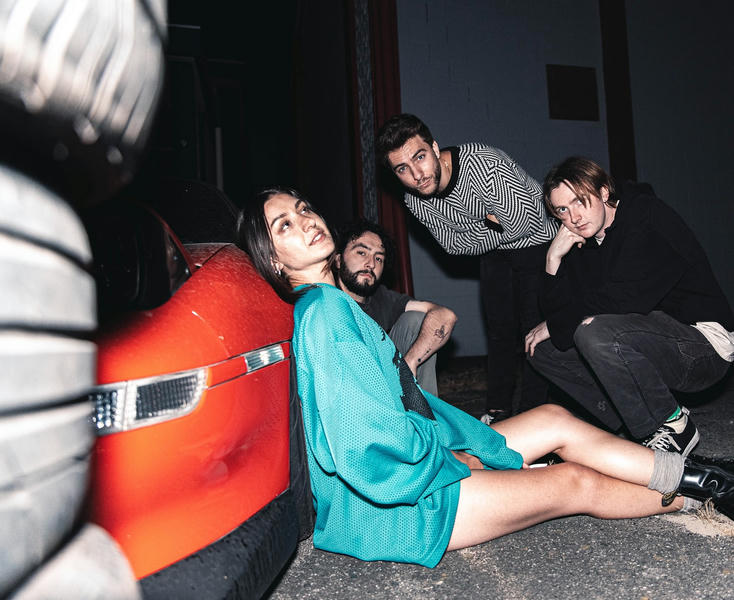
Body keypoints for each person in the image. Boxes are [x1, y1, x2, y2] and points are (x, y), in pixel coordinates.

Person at [237, 185, 734, 568]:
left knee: (553, 419)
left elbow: (409, 403)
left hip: (419, 462)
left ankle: (690, 472)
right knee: (573, 482)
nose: (306, 221)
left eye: (303, 208)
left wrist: (469, 443)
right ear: (273, 259)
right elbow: (362, 447)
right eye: (285, 225)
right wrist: (450, 461)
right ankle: (700, 496)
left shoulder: (338, 304)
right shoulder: (324, 314)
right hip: (401, 507)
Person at [525, 156, 734, 456]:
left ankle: (672, 424)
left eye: (579, 201)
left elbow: (627, 298)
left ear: (603, 192)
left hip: (703, 346)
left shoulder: (645, 214)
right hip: (649, 339)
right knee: (544, 349)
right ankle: (629, 427)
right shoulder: (583, 244)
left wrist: (561, 322)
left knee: (593, 331)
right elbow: (557, 316)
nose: (574, 217)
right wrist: (552, 259)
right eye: (562, 210)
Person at [375, 113, 557, 421]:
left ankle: (534, 413)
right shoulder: (415, 200)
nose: (417, 175)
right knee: (499, 331)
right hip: (496, 253)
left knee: (534, 332)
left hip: (538, 243)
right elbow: (452, 245)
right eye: (402, 169)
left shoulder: (484, 164)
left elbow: (525, 224)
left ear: (434, 148)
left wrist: (478, 230)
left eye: (420, 157)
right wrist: (493, 222)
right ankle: (497, 411)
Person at [335, 218, 457, 396]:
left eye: (379, 258)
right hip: (344, 392)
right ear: (338, 260)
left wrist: (410, 362)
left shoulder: (382, 297)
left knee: (417, 320)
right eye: (361, 253)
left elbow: (445, 315)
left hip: (384, 382)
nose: (371, 264)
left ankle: (421, 411)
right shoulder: (325, 298)